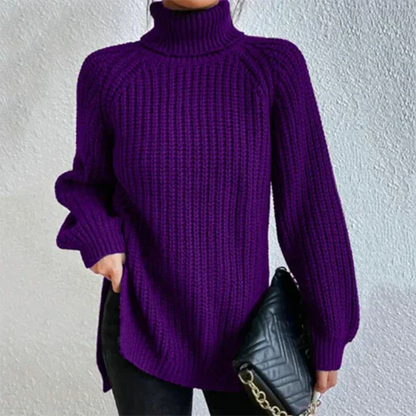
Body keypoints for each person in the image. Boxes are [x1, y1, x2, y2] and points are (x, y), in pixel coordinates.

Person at [54, 0, 360, 414]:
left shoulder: (273, 67)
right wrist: (102, 243)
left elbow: (310, 204)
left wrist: (330, 326)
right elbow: (87, 185)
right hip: (142, 318)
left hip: (247, 331)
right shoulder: (109, 73)